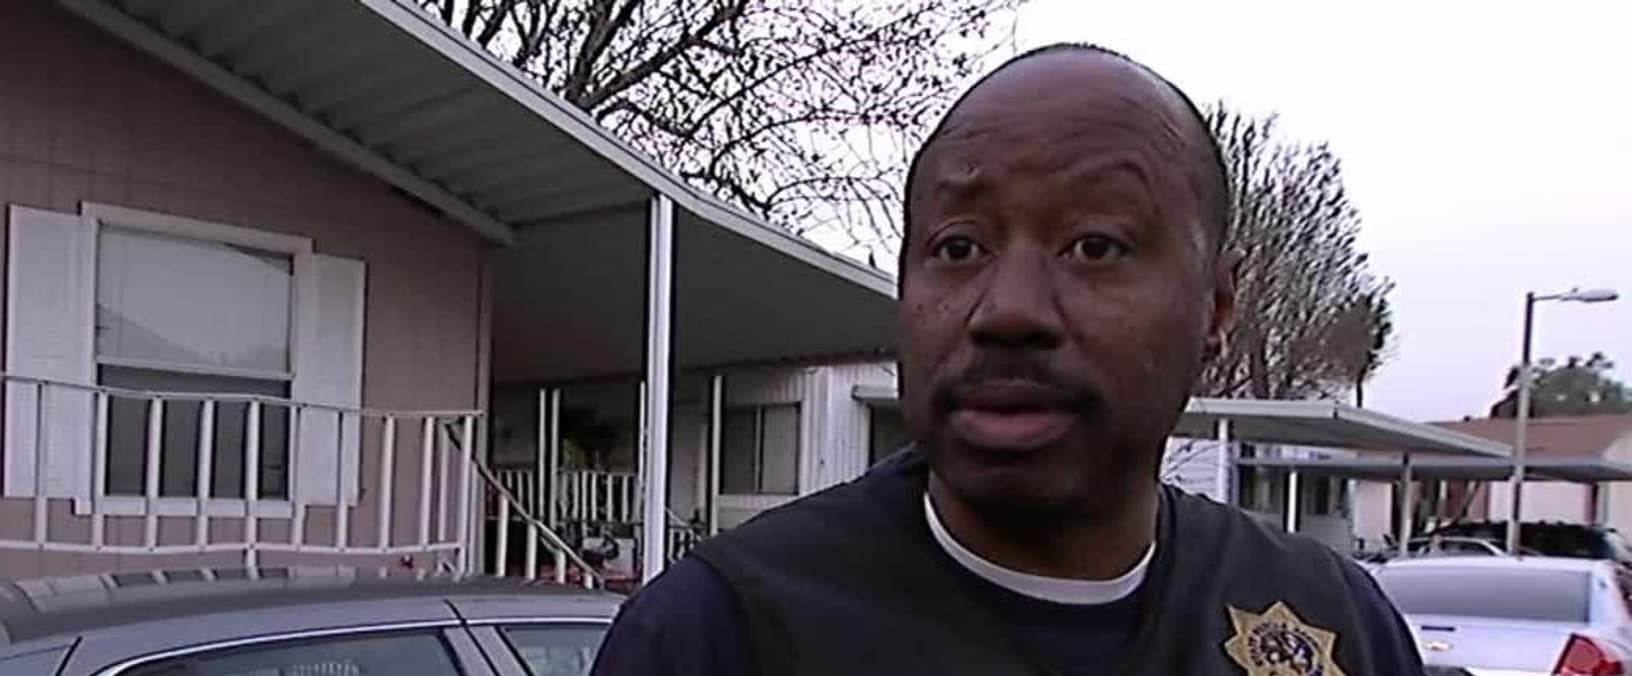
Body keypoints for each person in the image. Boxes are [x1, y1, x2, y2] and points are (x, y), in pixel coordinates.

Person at [590, 43, 1424, 676]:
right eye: (959, 247)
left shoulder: (1332, 626)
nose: (1008, 311)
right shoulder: (720, 635)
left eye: (1094, 245)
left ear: (1217, 308)